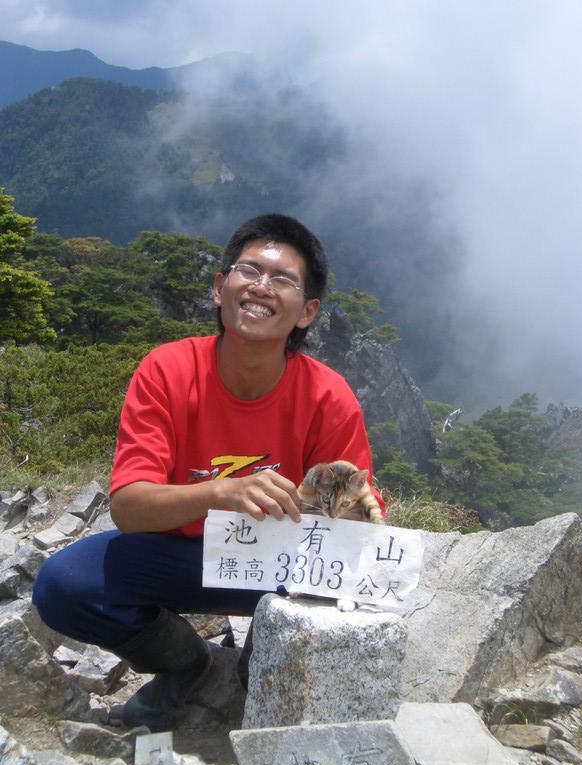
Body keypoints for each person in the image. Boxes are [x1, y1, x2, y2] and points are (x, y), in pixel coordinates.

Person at [32, 213, 383, 732]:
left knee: (346, 594)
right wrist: (220, 492)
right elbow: (128, 507)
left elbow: (354, 529)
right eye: (249, 271)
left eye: (282, 279)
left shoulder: (327, 398)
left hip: (277, 570)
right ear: (221, 288)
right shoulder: (167, 370)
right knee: (65, 584)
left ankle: (262, 664)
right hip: (176, 558)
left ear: (307, 312)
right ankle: (183, 663)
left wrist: (348, 513)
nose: (261, 286)